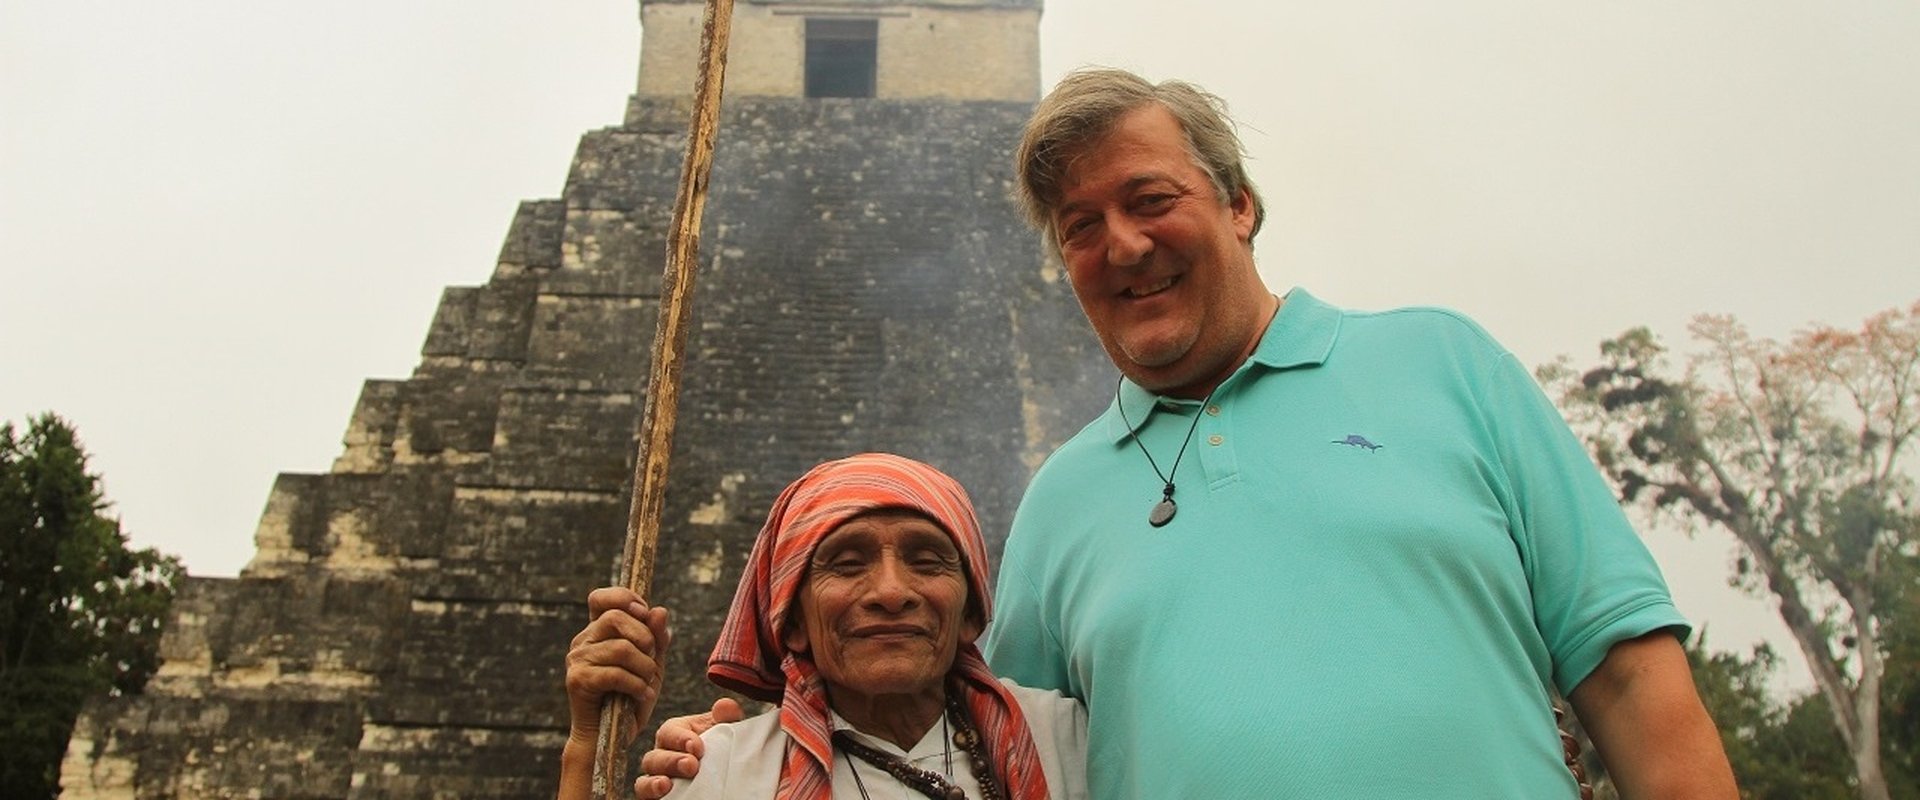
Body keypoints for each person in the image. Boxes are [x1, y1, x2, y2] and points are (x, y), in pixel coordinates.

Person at [638, 68, 1738, 798]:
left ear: (1240, 203)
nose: (1122, 245)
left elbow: (1633, 678)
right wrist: (740, 749)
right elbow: (962, 740)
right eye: (1080, 229)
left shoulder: (1444, 364)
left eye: (1150, 198)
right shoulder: (1063, 496)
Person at [559, 453, 1088, 800]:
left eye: (927, 561)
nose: (891, 592)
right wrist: (590, 741)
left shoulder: (1066, 736)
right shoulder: (722, 772)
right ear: (792, 621)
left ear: (971, 613)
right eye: (847, 563)